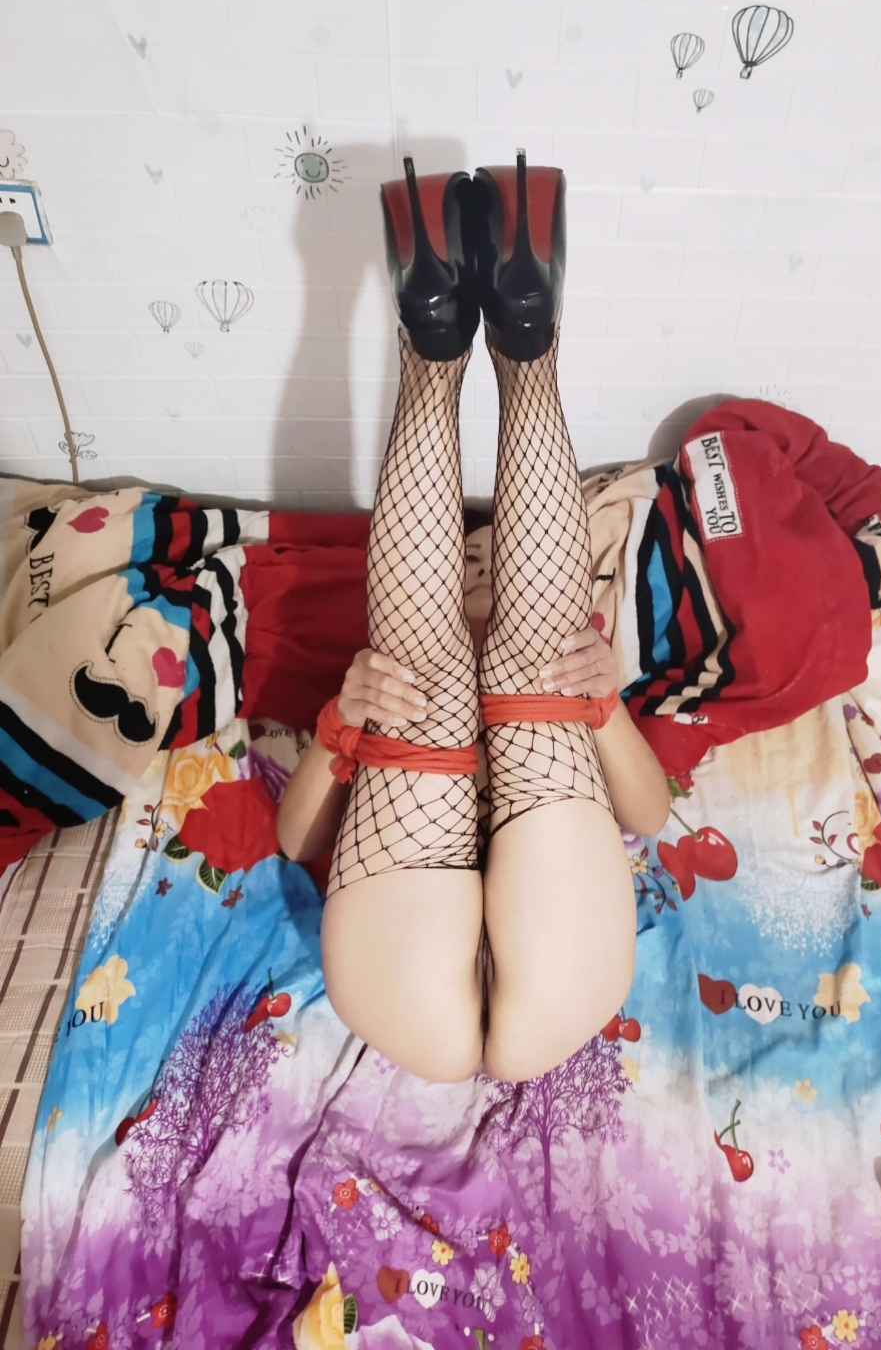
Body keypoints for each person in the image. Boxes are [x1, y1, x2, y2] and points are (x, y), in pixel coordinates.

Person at [278, 152, 669, 1085]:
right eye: (467, 558)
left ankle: (441, 344)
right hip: (518, 925)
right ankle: (519, 336)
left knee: (435, 673)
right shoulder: (537, 651)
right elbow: (649, 821)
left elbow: (298, 844)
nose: (476, 565)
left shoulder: (408, 667)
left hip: (418, 935)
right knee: (509, 664)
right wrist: (590, 699)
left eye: (484, 558)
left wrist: (347, 720)